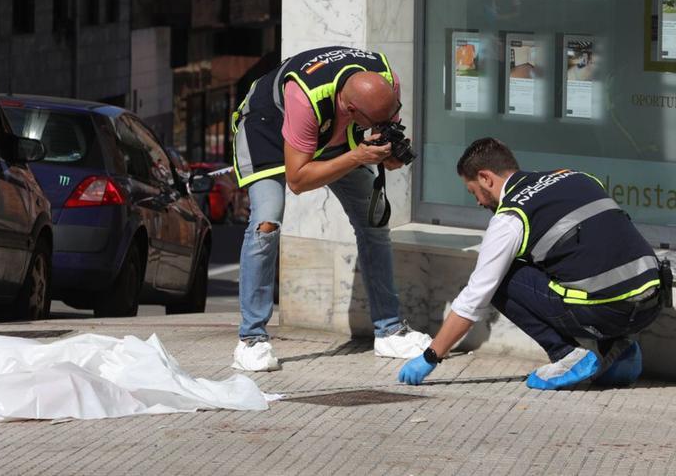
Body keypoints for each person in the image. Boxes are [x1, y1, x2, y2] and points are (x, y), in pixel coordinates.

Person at [398, 138, 667, 389]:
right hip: (650, 305)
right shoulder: (575, 176)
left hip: (604, 312)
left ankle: (567, 355)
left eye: (474, 192)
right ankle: (619, 352)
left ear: (485, 178)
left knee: (501, 277)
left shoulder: (511, 216)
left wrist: (431, 356)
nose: (478, 202)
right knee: (569, 257)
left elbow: (474, 297)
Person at [230, 46, 432, 372]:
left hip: (333, 130)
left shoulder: (384, 84)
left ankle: (389, 330)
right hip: (268, 125)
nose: (383, 123)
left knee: (374, 221)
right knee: (267, 223)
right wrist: (357, 157)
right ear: (351, 109)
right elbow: (298, 179)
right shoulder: (304, 98)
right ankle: (251, 339)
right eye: (376, 121)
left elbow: (389, 146)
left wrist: (388, 151)